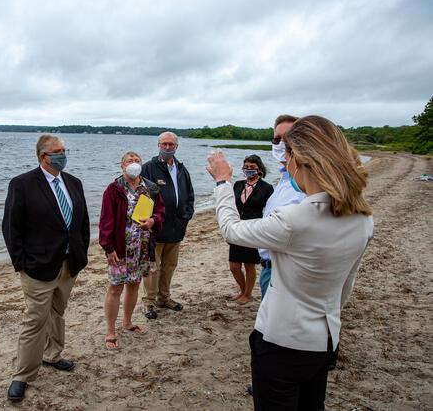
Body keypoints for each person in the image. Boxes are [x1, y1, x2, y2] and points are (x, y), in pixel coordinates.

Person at [206, 115, 374, 410]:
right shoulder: (362, 219)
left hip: (282, 342)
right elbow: (346, 284)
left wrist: (222, 182)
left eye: (290, 153)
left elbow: (231, 230)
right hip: (323, 341)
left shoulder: (296, 219)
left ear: (301, 159)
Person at [2, 134, 90, 403]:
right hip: (37, 267)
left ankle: (53, 355)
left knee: (57, 312)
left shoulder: (73, 183)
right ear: (43, 156)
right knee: (35, 319)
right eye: (58, 151)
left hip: (68, 264)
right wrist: (21, 264)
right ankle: (23, 375)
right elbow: (11, 228)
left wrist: (81, 254)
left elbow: (83, 222)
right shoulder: (23, 184)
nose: (63, 154)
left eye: (65, 150)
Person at [99, 152, 165, 349]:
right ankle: (110, 330)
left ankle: (127, 322)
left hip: (143, 246)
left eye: (137, 161)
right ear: (122, 167)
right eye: (130, 161)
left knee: (134, 284)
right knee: (115, 287)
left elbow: (161, 211)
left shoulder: (150, 188)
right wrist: (108, 247)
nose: (134, 164)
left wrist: (154, 221)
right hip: (120, 248)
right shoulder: (114, 189)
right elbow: (105, 221)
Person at [140, 131, 195, 319]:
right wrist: (150, 221)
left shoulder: (181, 169)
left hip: (177, 226)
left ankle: (164, 298)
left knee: (170, 265)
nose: (168, 148)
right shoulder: (148, 168)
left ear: (176, 147)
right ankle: (149, 302)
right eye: (164, 144)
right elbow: (143, 198)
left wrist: (186, 216)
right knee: (152, 267)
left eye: (171, 145)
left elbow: (189, 194)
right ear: (158, 146)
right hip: (156, 227)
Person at [258, 115, 306, 300]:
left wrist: (223, 183)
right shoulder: (285, 180)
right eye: (276, 139)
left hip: (289, 270)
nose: (280, 144)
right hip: (269, 268)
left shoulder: (307, 183)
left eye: (287, 138)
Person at [228, 155, 273, 305]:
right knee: (234, 266)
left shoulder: (266, 188)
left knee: (249, 264)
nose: (248, 170)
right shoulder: (238, 185)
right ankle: (242, 289)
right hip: (237, 228)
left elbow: (270, 210)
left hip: (254, 229)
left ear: (259, 169)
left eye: (251, 167)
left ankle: (247, 294)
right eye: (246, 167)